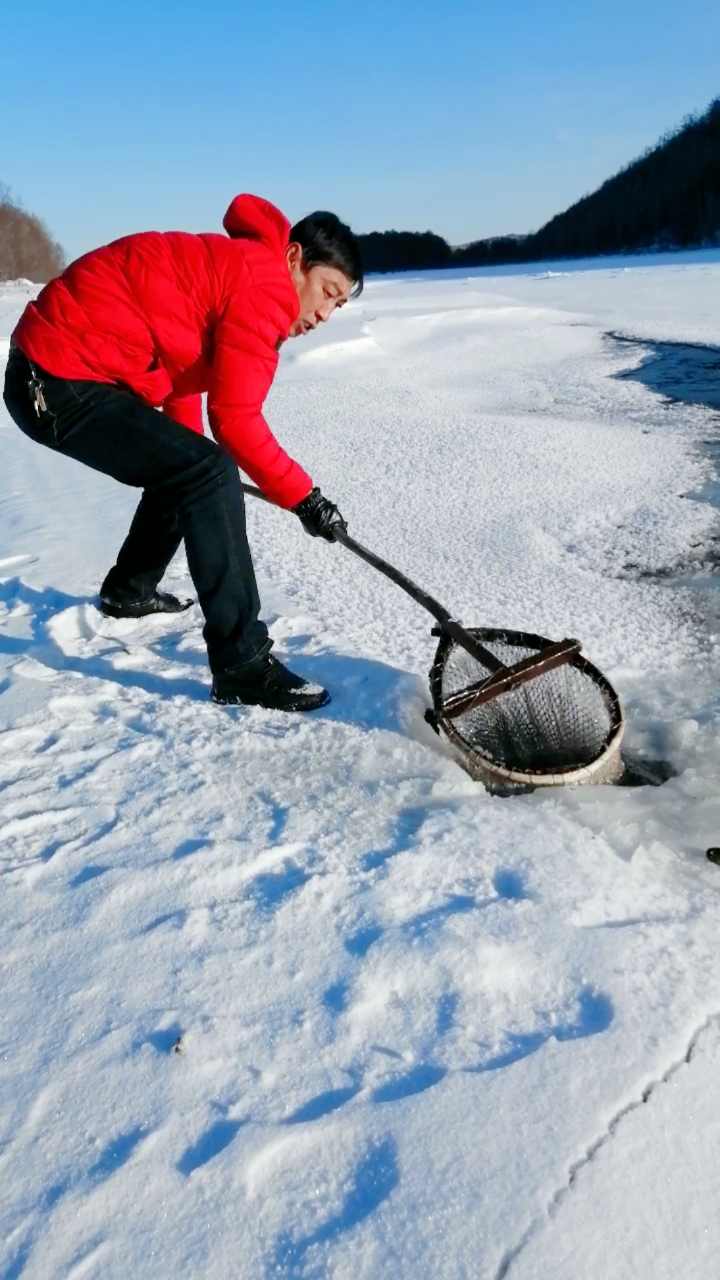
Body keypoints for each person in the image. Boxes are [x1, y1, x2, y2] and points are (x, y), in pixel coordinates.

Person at [3, 194, 363, 712]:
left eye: (340, 304)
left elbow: (177, 368)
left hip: (51, 371)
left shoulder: (240, 268)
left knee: (192, 466)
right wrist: (306, 499)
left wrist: (195, 460)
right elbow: (235, 421)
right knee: (207, 471)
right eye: (327, 292)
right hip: (55, 378)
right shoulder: (263, 287)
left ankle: (129, 591)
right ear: (293, 260)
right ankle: (242, 664)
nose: (327, 313)